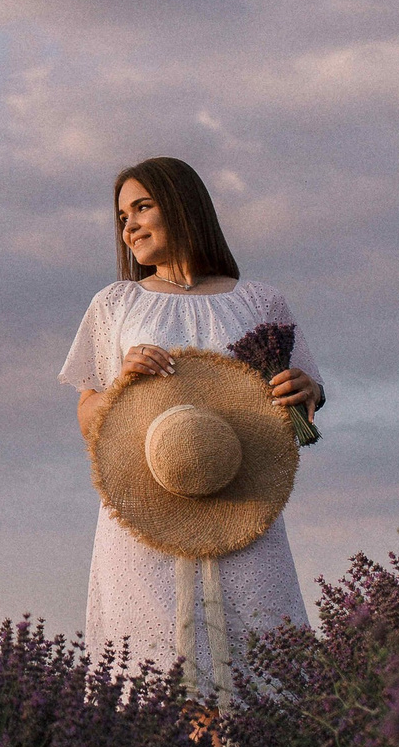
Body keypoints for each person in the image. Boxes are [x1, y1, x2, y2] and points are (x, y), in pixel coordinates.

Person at [59, 156, 324, 676]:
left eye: (142, 207)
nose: (129, 226)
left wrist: (308, 390)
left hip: (243, 504)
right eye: (122, 217)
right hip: (142, 513)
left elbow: (304, 402)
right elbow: (88, 418)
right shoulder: (115, 303)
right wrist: (121, 391)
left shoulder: (261, 302)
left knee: (262, 669)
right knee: (153, 673)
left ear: (182, 207)